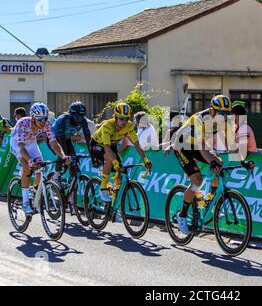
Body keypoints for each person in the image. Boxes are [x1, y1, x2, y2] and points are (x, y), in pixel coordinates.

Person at [167, 95, 232, 235]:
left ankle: (210, 201)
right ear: (212, 110)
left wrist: (242, 160)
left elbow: (231, 143)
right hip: (182, 146)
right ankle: (182, 215)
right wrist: (211, 161)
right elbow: (202, 147)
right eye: (221, 113)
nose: (224, 116)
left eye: (227, 113)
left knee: (219, 163)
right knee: (197, 180)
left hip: (196, 145)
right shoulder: (199, 119)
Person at [10, 102, 70, 214]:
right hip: (17, 143)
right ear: (33, 118)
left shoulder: (46, 124)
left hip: (31, 142)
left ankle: (34, 192)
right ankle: (25, 203)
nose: (43, 122)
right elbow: (21, 146)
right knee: (28, 167)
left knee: (40, 168)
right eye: (40, 120)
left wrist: (63, 156)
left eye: (45, 119)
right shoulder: (22, 124)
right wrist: (29, 160)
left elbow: (53, 142)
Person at [90, 102, 152, 203]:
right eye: (121, 118)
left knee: (121, 171)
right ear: (115, 117)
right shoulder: (107, 126)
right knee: (111, 160)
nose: (124, 122)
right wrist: (114, 162)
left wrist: (145, 159)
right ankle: (103, 189)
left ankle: (114, 204)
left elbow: (136, 144)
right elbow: (107, 147)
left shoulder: (129, 126)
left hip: (112, 144)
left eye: (127, 119)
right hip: (98, 144)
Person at [52, 101, 92, 183]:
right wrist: (64, 155)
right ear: (71, 114)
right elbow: (61, 138)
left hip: (67, 138)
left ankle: (72, 181)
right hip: (56, 137)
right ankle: (55, 177)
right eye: (77, 116)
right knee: (62, 155)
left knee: (74, 160)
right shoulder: (63, 119)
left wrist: (92, 152)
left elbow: (88, 137)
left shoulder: (83, 121)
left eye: (81, 116)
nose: (79, 119)